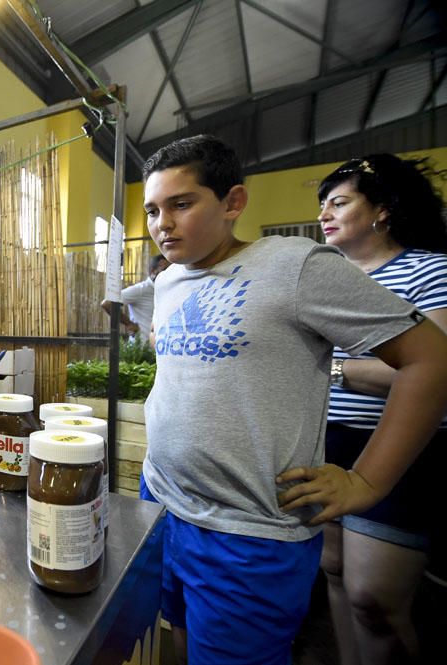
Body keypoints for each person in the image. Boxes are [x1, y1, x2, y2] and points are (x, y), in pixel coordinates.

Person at [137, 134, 447, 665]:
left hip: (248, 531)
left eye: (181, 204)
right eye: (152, 210)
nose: (162, 222)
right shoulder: (168, 282)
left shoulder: (296, 266)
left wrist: (367, 480)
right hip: (162, 505)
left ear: (233, 202)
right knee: (176, 638)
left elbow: (431, 359)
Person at [316, 153, 447, 665]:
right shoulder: (325, 276)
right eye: (322, 204)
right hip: (329, 438)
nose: (325, 213)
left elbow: (435, 371)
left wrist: (338, 370)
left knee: (375, 598)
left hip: (400, 444)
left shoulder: (430, 269)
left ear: (383, 209)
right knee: (334, 572)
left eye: (339, 202)